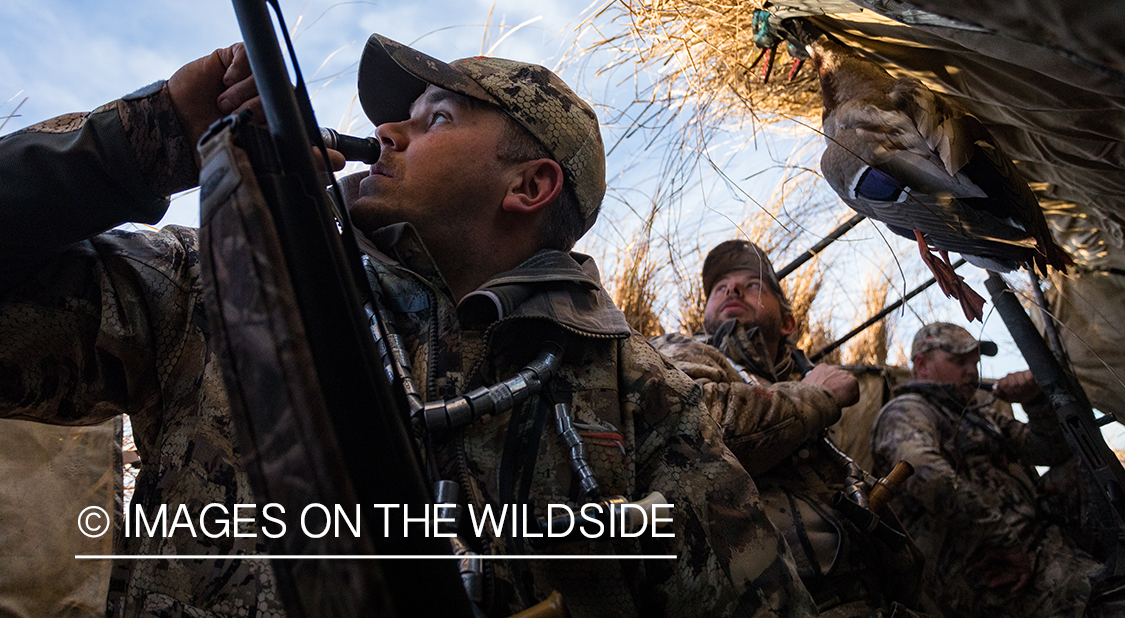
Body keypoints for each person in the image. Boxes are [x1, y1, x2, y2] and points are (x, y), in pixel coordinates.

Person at [0, 37, 817, 618]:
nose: (384, 134)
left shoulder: (641, 393)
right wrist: (141, 145)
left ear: (529, 185)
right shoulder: (211, 282)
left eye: (434, 120)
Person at [652, 240, 928, 616]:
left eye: (752, 285)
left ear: (787, 322)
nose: (731, 289)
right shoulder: (679, 351)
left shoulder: (797, 381)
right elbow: (703, 425)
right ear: (706, 315)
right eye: (720, 288)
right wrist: (816, 397)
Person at [871, 322, 1103, 618]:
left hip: (1038, 542)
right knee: (1101, 602)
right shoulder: (906, 411)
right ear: (922, 365)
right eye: (959, 361)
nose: (972, 371)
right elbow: (926, 475)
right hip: (983, 566)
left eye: (975, 362)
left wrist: (1034, 401)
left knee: (1078, 467)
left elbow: (1052, 451)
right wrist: (1002, 539)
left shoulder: (981, 416)